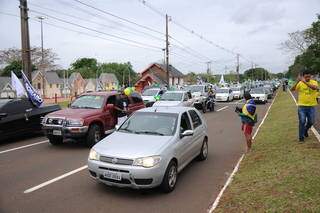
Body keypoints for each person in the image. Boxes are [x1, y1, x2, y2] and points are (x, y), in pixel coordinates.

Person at [291, 69, 319, 142]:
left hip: (311, 106)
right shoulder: (300, 83)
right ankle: (301, 138)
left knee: (311, 122)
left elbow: (314, 88)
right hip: (302, 106)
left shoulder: (314, 82)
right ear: (303, 76)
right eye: (306, 77)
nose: (307, 78)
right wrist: (297, 81)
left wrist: (304, 82)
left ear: (311, 76)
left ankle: (305, 130)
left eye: (309, 77)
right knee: (302, 121)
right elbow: (292, 89)